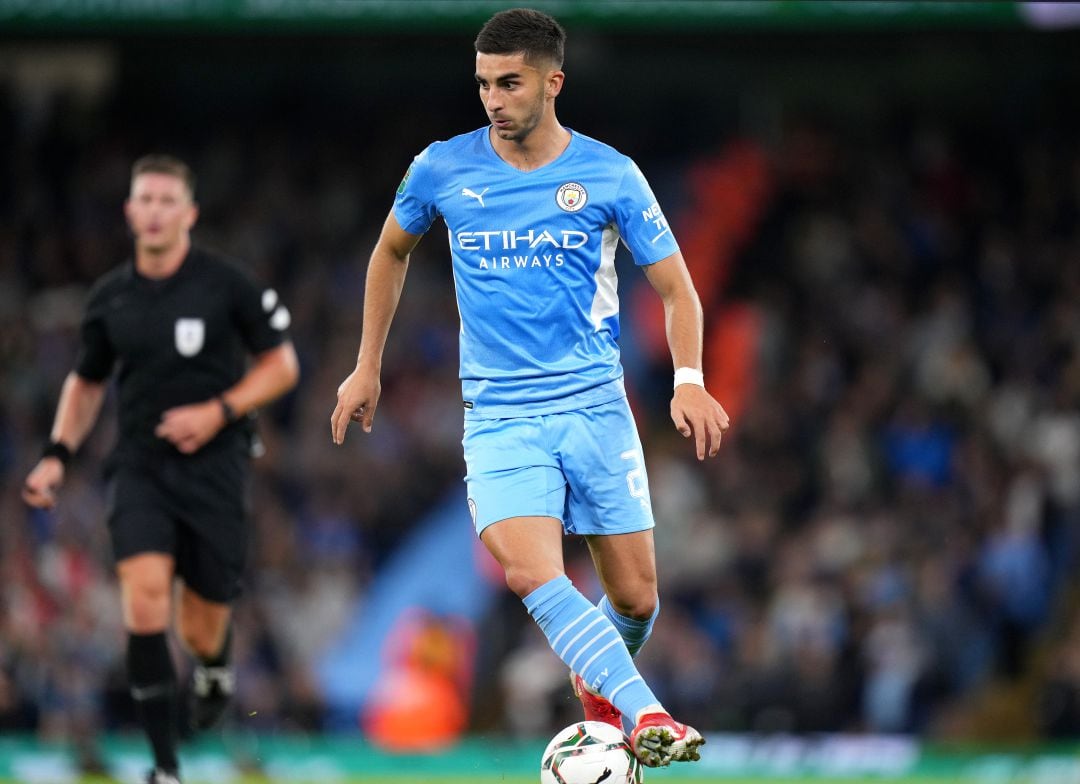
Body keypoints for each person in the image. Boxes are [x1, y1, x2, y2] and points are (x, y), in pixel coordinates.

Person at [330, 7, 728, 768]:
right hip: (501, 415)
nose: (492, 99)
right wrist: (366, 365)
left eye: (509, 83)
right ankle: (646, 710)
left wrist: (688, 379)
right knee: (528, 570)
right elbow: (389, 252)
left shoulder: (610, 174)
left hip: (596, 409)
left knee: (638, 599)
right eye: (483, 84)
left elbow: (677, 289)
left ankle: (597, 671)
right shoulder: (442, 168)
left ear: (553, 83)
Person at [22, 154, 300, 784]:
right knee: (144, 602)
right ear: (129, 212)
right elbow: (87, 383)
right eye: (143, 200)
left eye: (165, 200)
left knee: (201, 624)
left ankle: (214, 665)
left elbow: (281, 365)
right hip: (141, 468)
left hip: (217, 469)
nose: (153, 211)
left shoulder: (227, 286)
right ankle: (165, 767)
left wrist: (219, 409)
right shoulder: (110, 298)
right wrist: (56, 455)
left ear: (189, 213)